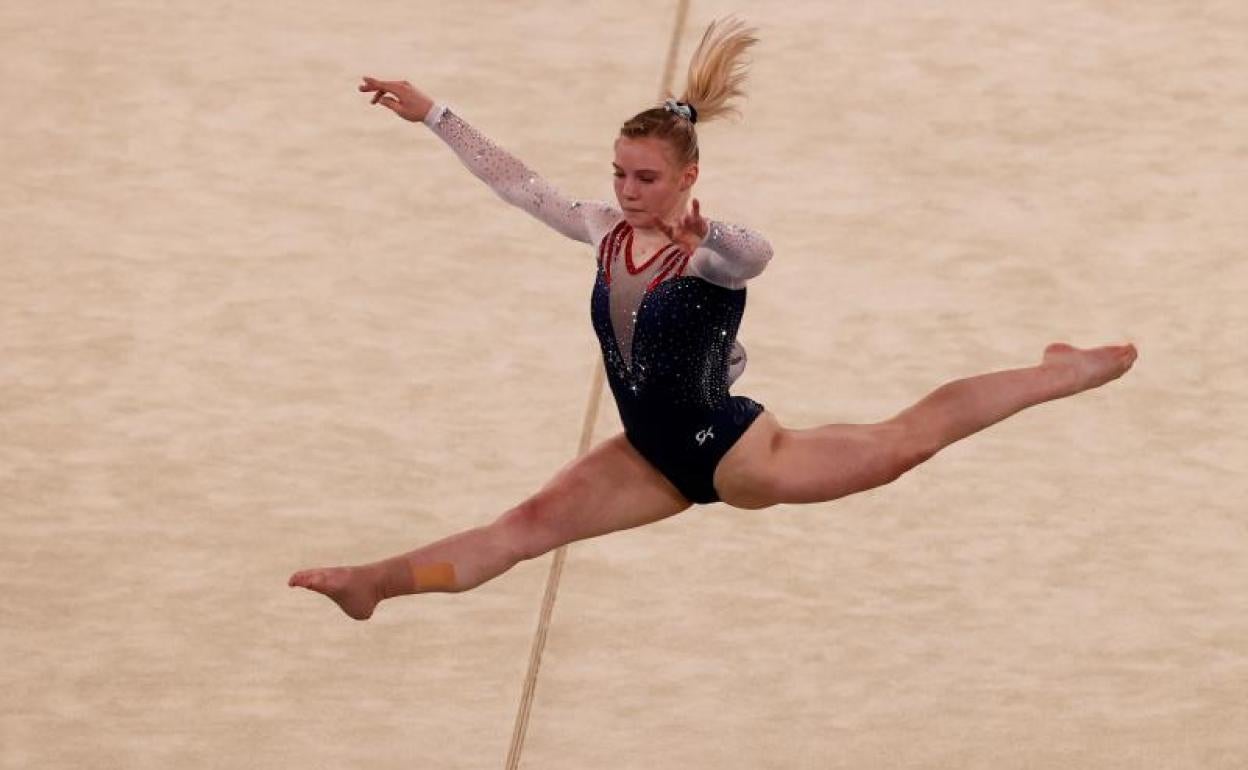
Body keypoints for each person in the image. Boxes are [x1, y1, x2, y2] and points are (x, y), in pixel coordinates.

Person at [289, 18, 1137, 620]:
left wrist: (710, 235)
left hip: (738, 457)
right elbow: (518, 183)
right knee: (520, 532)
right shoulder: (602, 227)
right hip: (649, 457)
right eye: (620, 174)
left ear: (689, 177)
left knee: (905, 442)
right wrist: (434, 113)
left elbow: (757, 256)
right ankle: (375, 585)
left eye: (647, 179)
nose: (627, 191)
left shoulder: (709, 253)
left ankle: (1062, 369)